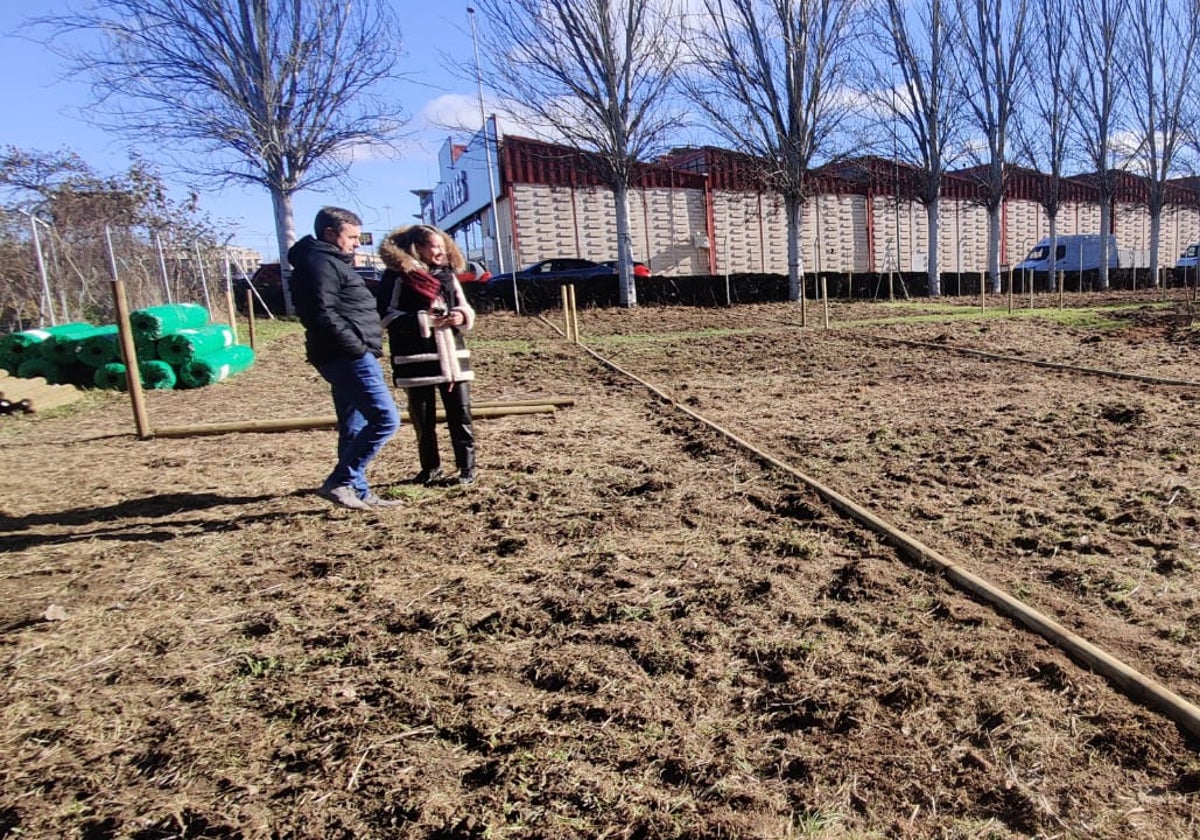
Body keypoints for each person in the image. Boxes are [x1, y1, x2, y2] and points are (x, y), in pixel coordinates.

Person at [289, 207, 401, 510]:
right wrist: (356, 347)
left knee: (354, 424)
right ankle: (340, 481)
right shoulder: (319, 263)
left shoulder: (328, 261)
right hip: (347, 355)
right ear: (330, 233)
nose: (357, 243)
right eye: (351, 236)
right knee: (386, 419)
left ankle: (358, 490)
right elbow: (320, 313)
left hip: (346, 353)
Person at [377, 225, 477, 486]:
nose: (441, 250)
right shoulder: (397, 277)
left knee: (462, 415)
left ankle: (467, 469)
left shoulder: (448, 276)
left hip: (453, 358)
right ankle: (430, 468)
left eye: (442, 245)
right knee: (424, 421)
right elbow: (386, 315)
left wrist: (461, 315)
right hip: (417, 360)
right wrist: (424, 320)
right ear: (417, 248)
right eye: (434, 245)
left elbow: (463, 305)